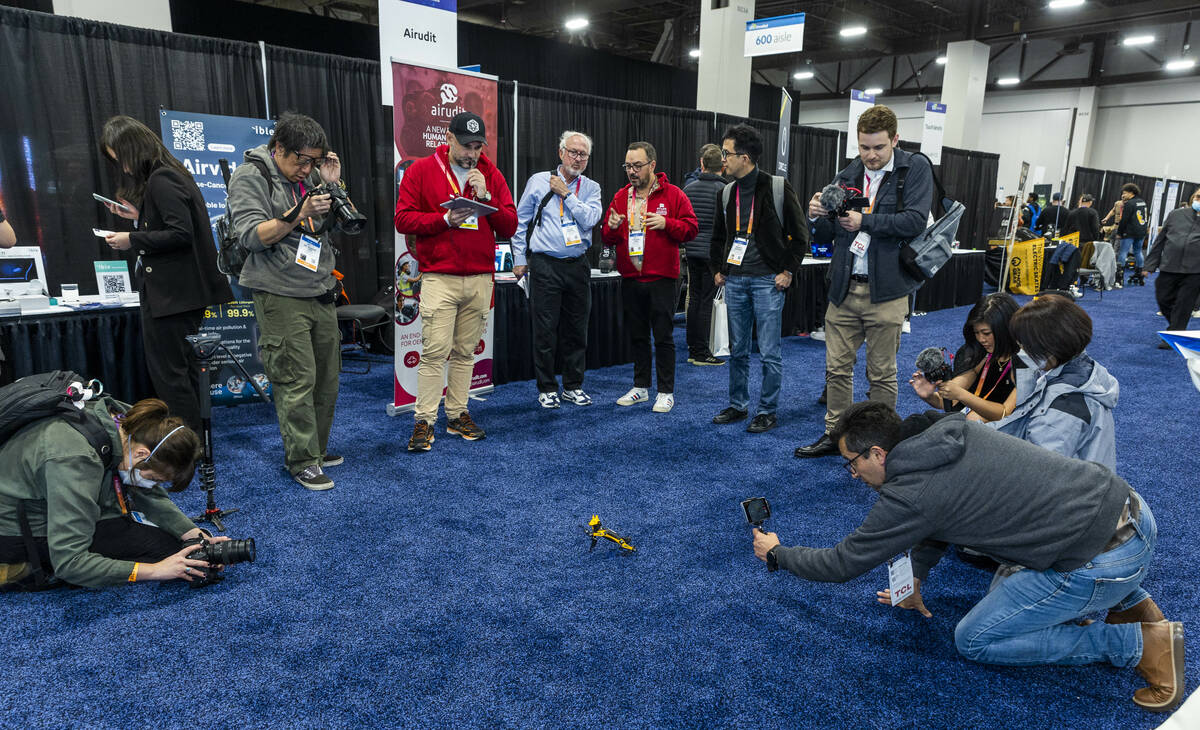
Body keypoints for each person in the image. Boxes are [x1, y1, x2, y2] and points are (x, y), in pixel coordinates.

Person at [752, 401, 1184, 713]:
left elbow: (841, 563)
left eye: (852, 463)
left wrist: (779, 553)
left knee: (975, 639)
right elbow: (940, 519)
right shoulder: (947, 431)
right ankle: (1129, 602)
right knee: (1004, 585)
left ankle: (1140, 643)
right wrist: (916, 576)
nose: (853, 474)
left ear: (878, 454)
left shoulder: (910, 494)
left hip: (1105, 559)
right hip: (1132, 512)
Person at [795, 105, 932, 458]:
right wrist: (818, 214)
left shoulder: (914, 168)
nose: (870, 155)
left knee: (881, 374)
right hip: (843, 288)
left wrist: (864, 221)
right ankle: (836, 435)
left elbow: (916, 221)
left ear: (895, 140)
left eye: (878, 148)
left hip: (887, 291)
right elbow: (830, 232)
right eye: (864, 147)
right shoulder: (847, 174)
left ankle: (882, 441)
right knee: (836, 370)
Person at [227, 111, 346, 490]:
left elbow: (333, 224)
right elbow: (250, 235)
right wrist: (299, 212)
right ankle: (302, 460)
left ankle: (317, 449)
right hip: (279, 293)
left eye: (314, 161)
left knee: (327, 379)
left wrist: (331, 184)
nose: (306, 168)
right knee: (296, 379)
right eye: (301, 160)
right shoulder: (251, 175)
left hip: (320, 289)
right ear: (278, 148)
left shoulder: (310, 175)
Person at [0, 397, 231, 588]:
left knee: (177, 549)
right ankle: (19, 568)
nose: (151, 485)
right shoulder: (75, 459)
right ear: (142, 455)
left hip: (59, 496)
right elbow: (70, 561)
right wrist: (155, 571)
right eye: (154, 479)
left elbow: (146, 492)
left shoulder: (130, 422)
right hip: (15, 529)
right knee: (164, 558)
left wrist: (193, 535)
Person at [97, 116, 234, 436]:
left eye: (119, 157)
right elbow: (174, 229)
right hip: (179, 295)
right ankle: (191, 441)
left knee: (171, 376)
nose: (122, 167)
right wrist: (137, 218)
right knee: (180, 372)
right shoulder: (169, 177)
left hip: (173, 297)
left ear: (132, 148)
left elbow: (180, 234)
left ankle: (184, 446)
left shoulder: (162, 179)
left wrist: (131, 239)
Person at [395, 112, 518, 450]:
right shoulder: (421, 170)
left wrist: (488, 197)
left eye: (478, 146)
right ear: (449, 139)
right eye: (466, 146)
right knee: (434, 353)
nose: (472, 153)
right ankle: (424, 420)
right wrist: (444, 219)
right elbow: (402, 218)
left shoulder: (491, 174)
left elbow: (509, 226)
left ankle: (457, 413)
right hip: (440, 277)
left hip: (480, 277)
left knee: (465, 352)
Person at [709, 124, 808, 433]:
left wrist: (788, 271)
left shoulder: (777, 187)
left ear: (746, 157)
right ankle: (738, 405)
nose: (723, 159)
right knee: (737, 350)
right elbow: (717, 237)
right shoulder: (726, 192)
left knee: (769, 352)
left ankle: (767, 410)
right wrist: (719, 269)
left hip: (768, 281)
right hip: (735, 281)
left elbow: (800, 236)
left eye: (727, 153)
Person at [600, 141, 698, 413]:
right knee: (637, 336)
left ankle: (666, 391)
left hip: (662, 278)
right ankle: (641, 387)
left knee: (664, 337)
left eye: (637, 166)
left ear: (652, 165)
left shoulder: (674, 194)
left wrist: (667, 224)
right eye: (628, 166)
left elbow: (691, 229)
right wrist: (609, 228)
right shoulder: (621, 196)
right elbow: (607, 237)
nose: (632, 171)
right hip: (631, 277)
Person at [510, 131, 603, 409]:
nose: (577, 158)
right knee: (545, 329)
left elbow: (590, 219)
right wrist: (518, 258)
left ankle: (573, 386)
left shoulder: (591, 188)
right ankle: (547, 387)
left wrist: (566, 194)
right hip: (545, 264)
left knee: (577, 329)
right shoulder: (538, 181)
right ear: (561, 152)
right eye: (572, 152)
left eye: (583, 154)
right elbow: (520, 221)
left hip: (577, 265)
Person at [992, 293, 1118, 469]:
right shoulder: (1083, 370)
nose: (1021, 351)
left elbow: (1037, 471)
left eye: (1025, 345)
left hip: (1069, 492)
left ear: (1049, 346)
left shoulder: (1064, 408)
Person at [910, 293, 1018, 423]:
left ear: (1005, 329)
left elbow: (1004, 413)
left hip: (1004, 432)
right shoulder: (984, 357)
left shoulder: (1025, 364)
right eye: (976, 333)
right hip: (969, 424)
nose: (981, 339)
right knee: (916, 422)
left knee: (972, 419)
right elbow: (946, 401)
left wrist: (962, 395)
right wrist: (929, 396)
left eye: (986, 333)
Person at [682, 143, 726, 367]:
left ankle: (693, 348)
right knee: (706, 301)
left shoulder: (689, 189)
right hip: (711, 254)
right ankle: (702, 352)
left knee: (695, 300)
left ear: (702, 164)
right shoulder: (725, 190)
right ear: (723, 166)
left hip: (692, 251)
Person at [1143, 187, 1200, 342]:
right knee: (1163, 298)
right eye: (1198, 197)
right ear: (1192, 198)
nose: (1199, 201)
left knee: (1184, 304)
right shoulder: (1176, 215)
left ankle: (1174, 333)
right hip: (1169, 266)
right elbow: (1160, 241)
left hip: (1195, 271)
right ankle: (1176, 326)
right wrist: (1149, 265)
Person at [1115, 183, 1149, 287]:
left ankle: (1119, 277)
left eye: (1125, 193)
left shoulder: (1129, 204)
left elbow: (1124, 220)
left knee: (1123, 252)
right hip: (1142, 231)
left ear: (1131, 193)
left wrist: (1119, 233)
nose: (1123, 195)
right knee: (1138, 252)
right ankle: (1139, 274)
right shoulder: (1142, 202)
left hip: (1129, 232)